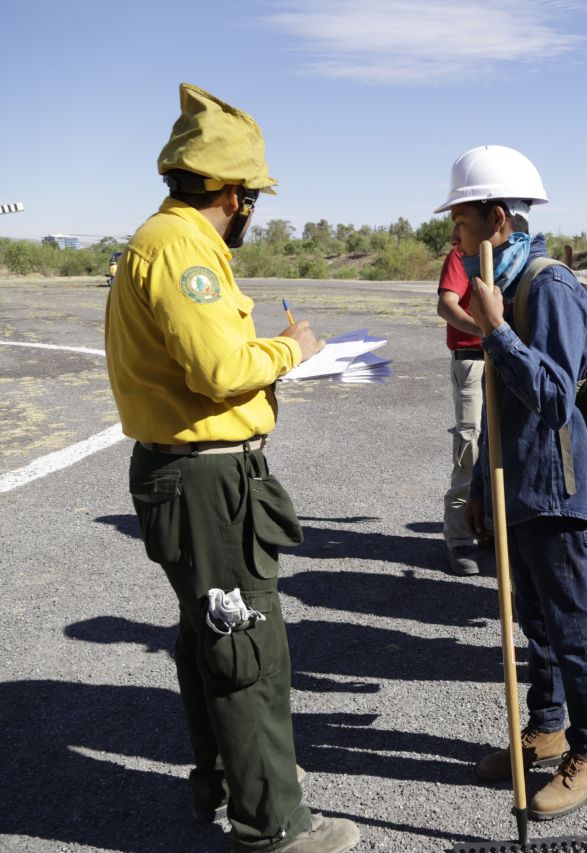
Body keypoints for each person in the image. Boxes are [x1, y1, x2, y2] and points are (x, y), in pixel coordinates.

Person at [104, 83, 358, 852]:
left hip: (195, 472)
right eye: (251, 194)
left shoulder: (169, 241)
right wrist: (295, 350)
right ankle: (272, 823)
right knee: (244, 641)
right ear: (228, 192)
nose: (255, 208)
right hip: (207, 480)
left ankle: (231, 777)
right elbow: (220, 367)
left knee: (213, 636)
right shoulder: (182, 247)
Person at [444, 145, 587, 818]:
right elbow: (500, 410)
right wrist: (483, 487)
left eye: (461, 218)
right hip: (516, 488)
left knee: (570, 626)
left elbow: (552, 396)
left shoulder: (551, 288)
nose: (453, 233)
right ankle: (547, 726)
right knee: (535, 624)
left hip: (559, 490)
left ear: (500, 220)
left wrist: (497, 329)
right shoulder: (503, 285)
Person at [435, 240, 485, 575]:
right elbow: (446, 305)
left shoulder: (515, 260)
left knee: (506, 449)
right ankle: (459, 539)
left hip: (508, 362)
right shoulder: (461, 255)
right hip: (472, 362)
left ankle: (491, 526)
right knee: (470, 446)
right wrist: (488, 331)